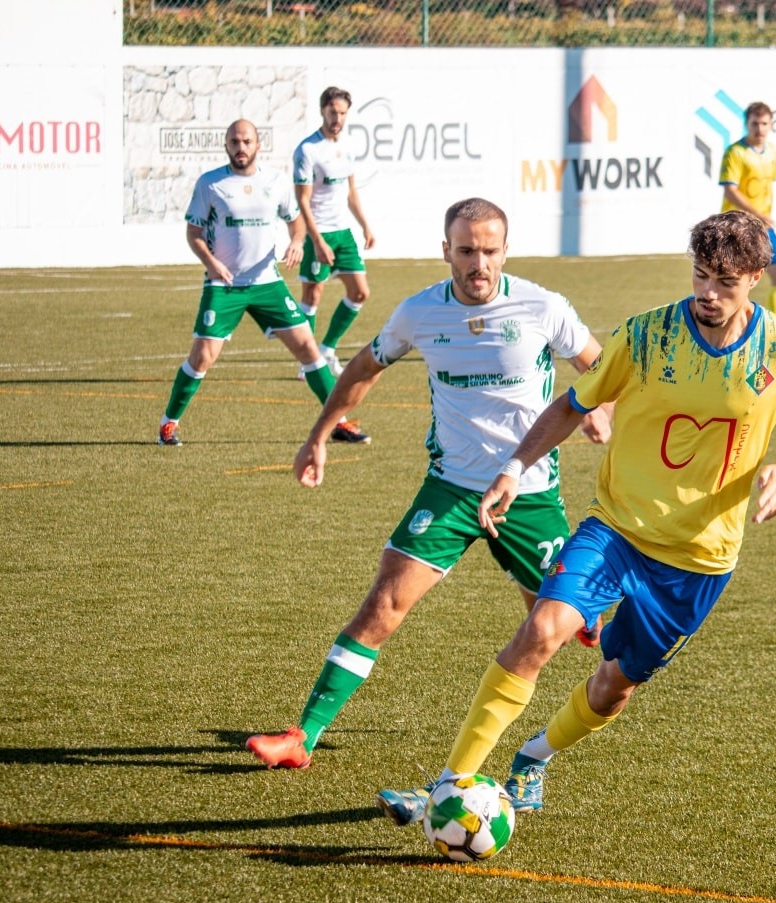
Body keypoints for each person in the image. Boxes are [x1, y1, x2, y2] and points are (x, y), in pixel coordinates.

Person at [378, 210, 776, 826]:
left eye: (725, 282)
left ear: (756, 278)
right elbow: (573, 404)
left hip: (698, 559)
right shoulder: (647, 336)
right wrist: (514, 469)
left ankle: (533, 757)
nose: (708, 293)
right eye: (700, 276)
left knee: (613, 688)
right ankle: (449, 784)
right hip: (616, 530)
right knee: (542, 631)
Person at [246, 198, 610, 795]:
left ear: (505, 250)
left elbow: (597, 365)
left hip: (531, 493)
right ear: (447, 251)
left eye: (489, 250)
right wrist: (319, 436)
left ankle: (557, 692)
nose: (478, 263)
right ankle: (303, 737)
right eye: (466, 250)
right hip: (451, 490)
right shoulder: (421, 313)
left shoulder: (543, 307)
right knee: (384, 604)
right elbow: (365, 366)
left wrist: (600, 411)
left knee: (553, 629)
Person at [158, 119, 369, 446]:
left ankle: (338, 422)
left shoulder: (275, 181)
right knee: (202, 358)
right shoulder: (211, 184)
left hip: (267, 282)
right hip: (224, 285)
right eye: (234, 142)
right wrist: (211, 263)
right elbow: (194, 232)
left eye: (246, 141)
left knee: (309, 349)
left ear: (257, 145)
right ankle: (169, 423)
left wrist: (297, 242)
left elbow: (295, 221)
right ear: (226, 146)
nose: (240, 148)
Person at [294, 86, 377, 376]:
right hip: (318, 232)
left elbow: (351, 192)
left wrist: (365, 225)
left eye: (342, 113)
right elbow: (302, 200)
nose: (337, 118)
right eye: (332, 112)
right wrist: (316, 240)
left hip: (343, 233)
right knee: (312, 297)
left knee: (360, 292)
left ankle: (327, 349)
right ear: (322, 111)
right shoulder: (308, 150)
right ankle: (308, 362)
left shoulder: (349, 146)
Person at [719, 101, 776, 323]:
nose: (759, 129)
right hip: (735, 226)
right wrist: (757, 214)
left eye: (764, 123)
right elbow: (730, 190)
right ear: (746, 124)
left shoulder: (772, 152)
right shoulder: (735, 152)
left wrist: (763, 217)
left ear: (770, 125)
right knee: (732, 284)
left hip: (761, 228)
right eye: (754, 124)